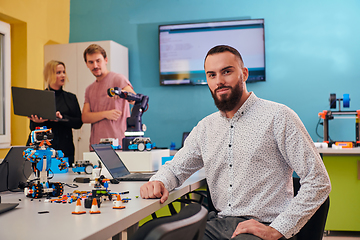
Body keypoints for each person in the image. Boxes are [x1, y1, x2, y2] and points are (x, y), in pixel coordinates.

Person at [140, 45, 331, 240]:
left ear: (244, 74)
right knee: (151, 235)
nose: (219, 81)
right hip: (219, 224)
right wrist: (159, 181)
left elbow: (318, 181)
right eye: (211, 75)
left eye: (227, 72)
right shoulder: (206, 127)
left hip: (264, 227)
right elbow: (176, 168)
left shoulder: (279, 117)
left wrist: (278, 229)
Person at [27, 60, 83, 166]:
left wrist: (61, 118)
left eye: (63, 72)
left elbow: (78, 123)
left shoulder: (71, 98)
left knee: (66, 178)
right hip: (43, 149)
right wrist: (39, 121)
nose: (63, 75)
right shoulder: (39, 98)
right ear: (49, 75)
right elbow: (32, 127)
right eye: (58, 72)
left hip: (65, 148)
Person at [81, 44, 136, 150]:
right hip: (96, 146)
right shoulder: (89, 89)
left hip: (118, 145)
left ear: (106, 60)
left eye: (98, 60)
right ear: (87, 64)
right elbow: (85, 117)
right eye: (91, 62)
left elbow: (135, 100)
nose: (95, 65)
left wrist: (122, 94)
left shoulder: (118, 79)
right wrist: (106, 114)